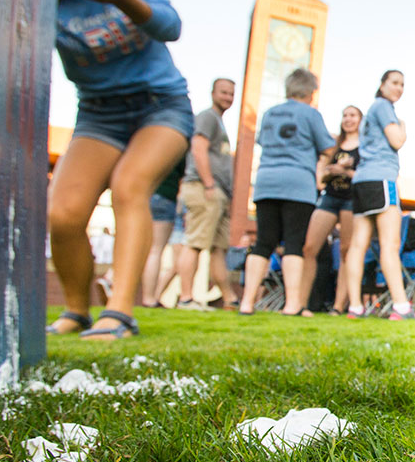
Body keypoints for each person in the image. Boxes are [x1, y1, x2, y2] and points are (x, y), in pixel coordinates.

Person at [47, 0, 193, 340]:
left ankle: (120, 312)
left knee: (131, 186)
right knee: (63, 212)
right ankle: (76, 310)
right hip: (98, 111)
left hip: (161, 104)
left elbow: (170, 26)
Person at [238, 70, 337, 316]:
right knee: (294, 242)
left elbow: (263, 141)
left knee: (263, 242)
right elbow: (328, 146)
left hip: (266, 182)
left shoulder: (270, 113)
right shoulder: (310, 114)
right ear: (310, 91)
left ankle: (246, 303)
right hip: (297, 183)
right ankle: (292, 305)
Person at [342, 70, 414, 319]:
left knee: (358, 245)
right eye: (394, 82)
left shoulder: (373, 109)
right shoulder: (383, 107)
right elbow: (397, 141)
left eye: (402, 84)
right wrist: (403, 127)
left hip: (362, 181)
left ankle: (354, 306)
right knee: (390, 244)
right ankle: (402, 306)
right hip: (381, 179)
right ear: (382, 85)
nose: (399, 88)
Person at [175, 78, 239, 311]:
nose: (228, 98)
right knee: (195, 242)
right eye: (223, 92)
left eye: (231, 94)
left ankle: (230, 299)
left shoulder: (219, 123)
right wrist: (209, 183)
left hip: (219, 192)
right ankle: (186, 298)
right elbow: (198, 148)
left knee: (218, 248)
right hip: (204, 189)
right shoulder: (207, 117)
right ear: (213, 92)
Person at [305, 105, 362, 315]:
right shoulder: (333, 145)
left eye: (353, 115)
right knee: (309, 247)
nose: (348, 119)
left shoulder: (364, 147)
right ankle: (301, 303)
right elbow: (321, 178)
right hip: (329, 197)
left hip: (350, 200)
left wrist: (345, 171)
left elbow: (363, 176)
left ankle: (338, 306)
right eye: (345, 115)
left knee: (346, 251)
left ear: (360, 120)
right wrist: (333, 170)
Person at [139, 155, 184, 308]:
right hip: (165, 196)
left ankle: (111, 278)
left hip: (142, 195)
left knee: (137, 245)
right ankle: (150, 298)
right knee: (155, 250)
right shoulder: (176, 141)